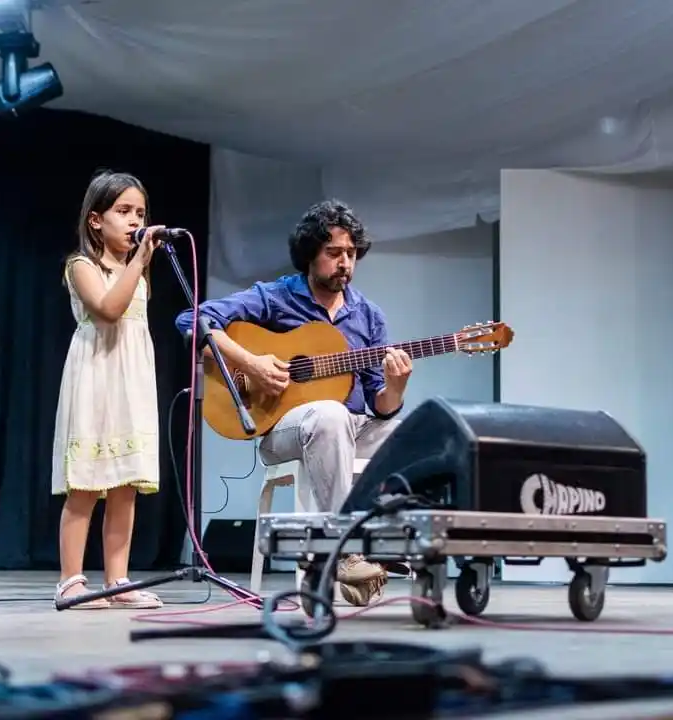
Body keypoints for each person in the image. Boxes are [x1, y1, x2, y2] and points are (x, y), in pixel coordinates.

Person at [174, 199, 412, 606]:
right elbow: (192, 320)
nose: (345, 263)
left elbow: (381, 406)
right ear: (309, 255)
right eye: (333, 253)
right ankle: (345, 549)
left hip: (351, 427)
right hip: (283, 431)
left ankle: (393, 545)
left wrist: (396, 386)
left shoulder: (369, 316)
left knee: (417, 429)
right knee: (329, 415)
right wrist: (252, 362)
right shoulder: (276, 297)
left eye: (351, 254)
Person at [51, 170, 166, 610]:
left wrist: (138, 264)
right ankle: (71, 579)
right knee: (86, 483)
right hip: (96, 378)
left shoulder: (138, 270)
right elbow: (108, 311)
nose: (135, 220)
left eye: (140, 212)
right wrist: (139, 262)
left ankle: (117, 579)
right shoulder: (81, 265)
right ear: (97, 220)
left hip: (131, 380)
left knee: (125, 486)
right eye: (123, 211)